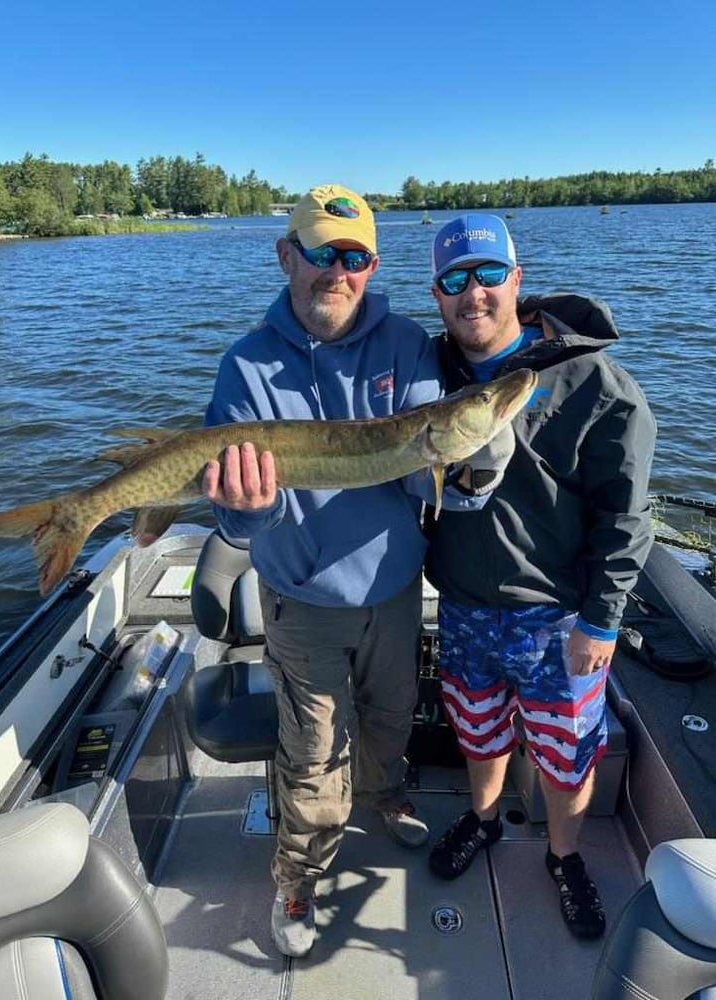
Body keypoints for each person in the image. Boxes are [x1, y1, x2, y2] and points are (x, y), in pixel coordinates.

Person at [201, 186, 512, 958]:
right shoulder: (247, 365)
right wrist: (245, 508)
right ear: (286, 256)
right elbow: (235, 522)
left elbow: (422, 474)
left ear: (371, 267)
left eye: (355, 257)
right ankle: (297, 878)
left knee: (390, 714)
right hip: (302, 600)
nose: (336, 272)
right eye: (320, 253)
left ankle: (385, 793)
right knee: (312, 755)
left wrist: (475, 458)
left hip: (396, 591)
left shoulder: (407, 344)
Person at [424, 213, 656, 939]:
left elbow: (628, 513)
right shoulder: (429, 373)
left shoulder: (594, 381)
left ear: (517, 283)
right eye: (456, 281)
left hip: (558, 618)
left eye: (490, 275)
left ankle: (563, 856)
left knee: (565, 754)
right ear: (437, 294)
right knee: (480, 733)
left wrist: (602, 617)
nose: (475, 294)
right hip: (461, 606)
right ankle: (485, 819)